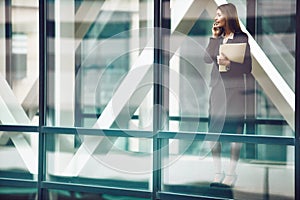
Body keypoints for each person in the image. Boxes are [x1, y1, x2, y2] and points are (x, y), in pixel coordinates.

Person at [203, 3, 252, 187]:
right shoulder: (218, 38)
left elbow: (248, 67)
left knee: (234, 133)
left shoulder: (241, 38)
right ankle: (217, 171)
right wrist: (214, 38)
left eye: (219, 14)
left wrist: (229, 62)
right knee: (214, 133)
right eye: (215, 15)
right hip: (217, 91)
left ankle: (231, 173)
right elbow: (206, 59)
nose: (215, 18)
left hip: (234, 93)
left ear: (228, 16)